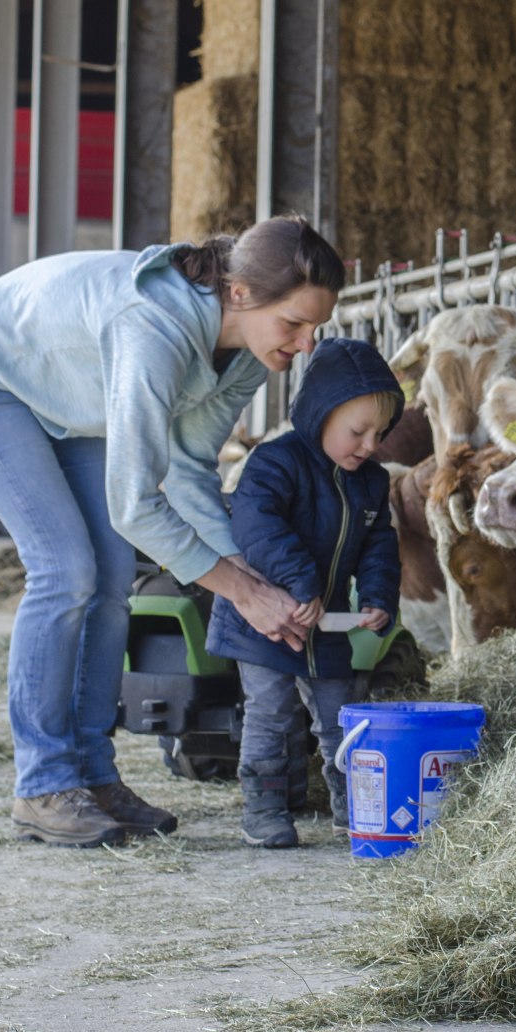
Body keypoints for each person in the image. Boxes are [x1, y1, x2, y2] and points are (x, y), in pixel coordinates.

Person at [0, 216, 344, 848]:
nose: (306, 344)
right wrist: (240, 591)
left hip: (69, 403)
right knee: (67, 570)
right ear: (240, 294)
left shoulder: (251, 357)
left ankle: (92, 774)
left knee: (114, 577)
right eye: (294, 323)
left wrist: (246, 575)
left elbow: (186, 468)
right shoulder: (153, 328)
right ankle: (42, 783)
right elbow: (136, 505)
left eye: (318, 327)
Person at [205, 337, 402, 847]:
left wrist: (379, 595)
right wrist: (300, 582)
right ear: (320, 414)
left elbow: (379, 542)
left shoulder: (372, 482)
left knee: (341, 716)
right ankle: (265, 810)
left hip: (328, 622)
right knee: (270, 714)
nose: (370, 446)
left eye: (380, 433)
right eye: (358, 431)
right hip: (265, 619)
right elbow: (257, 527)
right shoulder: (276, 462)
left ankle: (352, 808)